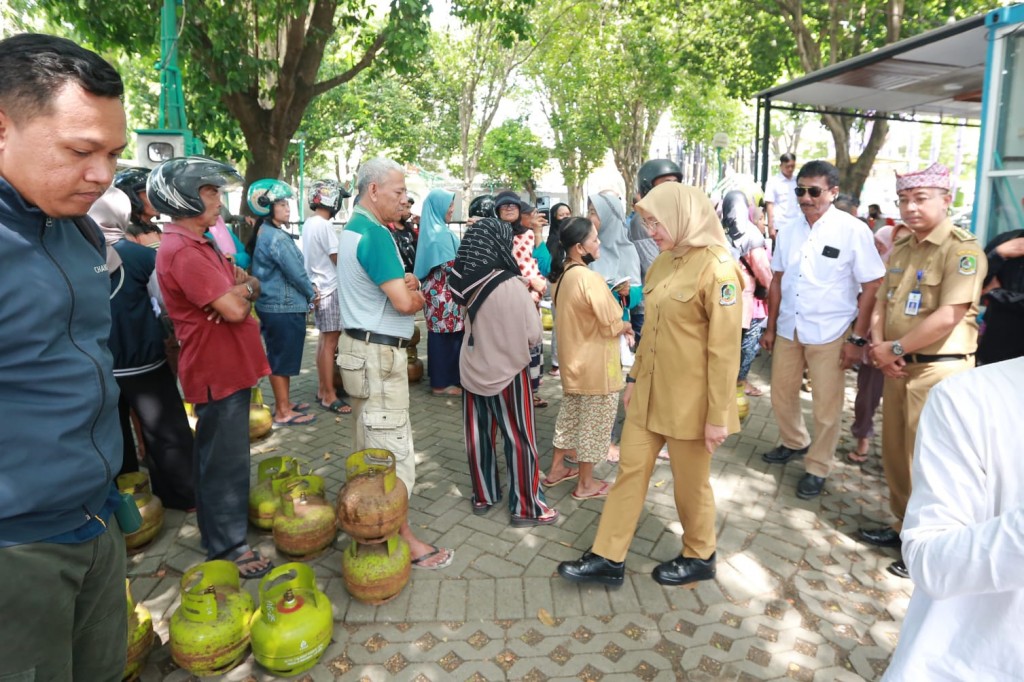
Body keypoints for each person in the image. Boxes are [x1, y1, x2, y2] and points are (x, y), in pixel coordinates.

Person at [0, 33, 129, 681]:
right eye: (81, 150)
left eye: (113, 153)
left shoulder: (73, 227)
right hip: (16, 548)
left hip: (94, 518)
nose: (103, 175)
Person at [558, 183, 743, 587]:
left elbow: (725, 351)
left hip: (691, 402)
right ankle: (609, 557)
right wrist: (634, 378)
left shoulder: (719, 269)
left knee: (691, 484)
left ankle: (700, 553)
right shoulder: (662, 263)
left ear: (682, 217)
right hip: (647, 393)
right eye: (646, 222)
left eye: (655, 222)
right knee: (630, 470)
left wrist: (719, 416)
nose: (650, 231)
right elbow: (651, 332)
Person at [859, 163, 986, 579]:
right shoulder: (902, 245)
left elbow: (949, 315)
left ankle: (930, 548)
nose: (910, 207)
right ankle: (902, 528)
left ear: (946, 200)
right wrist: (880, 348)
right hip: (898, 368)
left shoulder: (961, 250)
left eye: (920, 198)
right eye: (904, 200)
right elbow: (881, 300)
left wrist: (891, 348)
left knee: (929, 463)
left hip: (938, 373)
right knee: (896, 455)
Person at [151, 155, 273, 579]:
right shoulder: (183, 250)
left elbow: (249, 286)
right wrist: (236, 295)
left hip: (229, 367)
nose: (218, 200)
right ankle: (229, 547)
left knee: (218, 457)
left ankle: (219, 534)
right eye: (209, 191)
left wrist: (241, 289)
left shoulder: (203, 244)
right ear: (182, 196)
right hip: (215, 370)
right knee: (225, 463)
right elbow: (235, 309)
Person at [337, 157, 454, 569]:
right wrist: (418, 294)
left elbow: (385, 289)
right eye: (399, 192)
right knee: (391, 451)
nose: (405, 200)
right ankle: (401, 537)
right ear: (373, 191)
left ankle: (367, 519)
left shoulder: (353, 231)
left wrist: (408, 283)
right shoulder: (376, 235)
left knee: (368, 444)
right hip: (379, 358)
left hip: (358, 351)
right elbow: (405, 304)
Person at [880, 359, 1024, 681]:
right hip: (957, 664)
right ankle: (897, 522)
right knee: (897, 453)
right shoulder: (974, 399)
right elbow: (930, 559)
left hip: (931, 362)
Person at [759, 160, 885, 500]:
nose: (806, 198)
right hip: (789, 327)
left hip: (830, 332)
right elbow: (778, 280)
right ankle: (794, 441)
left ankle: (818, 467)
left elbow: (873, 285)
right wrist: (770, 327)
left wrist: (857, 339)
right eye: (800, 190)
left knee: (826, 406)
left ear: (833, 192)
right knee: (781, 393)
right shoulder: (788, 228)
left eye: (814, 191)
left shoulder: (853, 230)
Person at [88, 186, 195, 510]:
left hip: (97, 364)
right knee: (165, 430)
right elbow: (165, 304)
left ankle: (128, 500)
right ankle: (182, 495)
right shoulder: (143, 257)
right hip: (142, 360)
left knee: (111, 434)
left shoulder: (75, 255)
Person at [450, 218, 559, 526]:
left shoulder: (462, 279)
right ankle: (526, 507)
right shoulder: (511, 284)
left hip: (472, 367)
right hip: (510, 372)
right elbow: (535, 335)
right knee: (520, 439)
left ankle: (483, 495)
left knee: (478, 436)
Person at [543, 217, 634, 500]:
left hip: (574, 363)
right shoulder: (588, 278)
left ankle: (556, 470)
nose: (600, 243)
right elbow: (611, 322)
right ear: (580, 247)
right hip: (597, 367)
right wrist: (626, 319)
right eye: (595, 240)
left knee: (570, 419)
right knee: (594, 427)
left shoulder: (561, 276)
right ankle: (585, 484)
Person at [248, 178, 318, 428]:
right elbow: (296, 273)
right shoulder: (275, 237)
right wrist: (312, 293)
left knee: (283, 357)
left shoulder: (267, 232)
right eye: (281, 204)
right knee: (281, 359)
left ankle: (285, 403)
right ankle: (282, 411)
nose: (288, 208)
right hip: (282, 307)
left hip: (276, 306)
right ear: (266, 206)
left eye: (287, 204)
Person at [847, 221, 913, 464]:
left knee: (904, 405)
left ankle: (899, 455)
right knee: (867, 396)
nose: (878, 248)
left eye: (881, 244)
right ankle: (862, 438)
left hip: (909, 349)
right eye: (878, 244)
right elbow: (872, 305)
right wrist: (877, 344)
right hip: (875, 346)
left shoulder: (915, 270)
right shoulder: (874, 271)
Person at [302, 179, 352, 414]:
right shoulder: (324, 226)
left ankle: (323, 389)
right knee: (330, 344)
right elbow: (337, 259)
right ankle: (328, 395)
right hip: (330, 289)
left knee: (324, 341)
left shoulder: (310, 223)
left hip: (319, 287)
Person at [495, 190, 549, 407]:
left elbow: (540, 262)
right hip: (504, 303)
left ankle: (530, 392)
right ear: (496, 210)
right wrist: (528, 282)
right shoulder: (494, 235)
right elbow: (495, 269)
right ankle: (508, 394)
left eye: (513, 205)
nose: (509, 208)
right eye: (504, 205)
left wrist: (538, 285)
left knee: (531, 345)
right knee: (507, 347)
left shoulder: (529, 234)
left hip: (531, 302)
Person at [413, 188, 465, 396]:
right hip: (445, 295)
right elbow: (451, 266)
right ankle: (442, 384)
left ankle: (440, 380)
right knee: (447, 339)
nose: (452, 210)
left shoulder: (431, 229)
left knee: (440, 336)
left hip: (436, 294)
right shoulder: (441, 234)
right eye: (449, 205)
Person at [721, 190, 773, 397]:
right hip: (746, 303)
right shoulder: (751, 235)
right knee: (747, 345)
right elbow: (763, 272)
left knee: (724, 345)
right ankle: (739, 385)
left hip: (722, 299)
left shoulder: (718, 230)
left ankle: (723, 384)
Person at [977, 211, 1024, 364]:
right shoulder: (1005, 241)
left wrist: (996, 294)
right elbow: (972, 285)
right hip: (994, 350)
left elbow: (988, 291)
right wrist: (997, 255)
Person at [545, 202, 572, 377]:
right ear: (554, 218)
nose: (565, 218)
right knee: (560, 324)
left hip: (572, 284)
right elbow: (550, 266)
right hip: (558, 285)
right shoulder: (553, 240)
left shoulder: (574, 236)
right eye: (561, 215)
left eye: (568, 214)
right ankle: (556, 363)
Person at [764, 153, 797, 239]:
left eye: (792, 166)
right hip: (780, 225)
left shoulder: (797, 181)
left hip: (796, 223)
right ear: (781, 166)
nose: (790, 169)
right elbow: (769, 204)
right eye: (787, 166)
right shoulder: (773, 182)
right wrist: (771, 227)